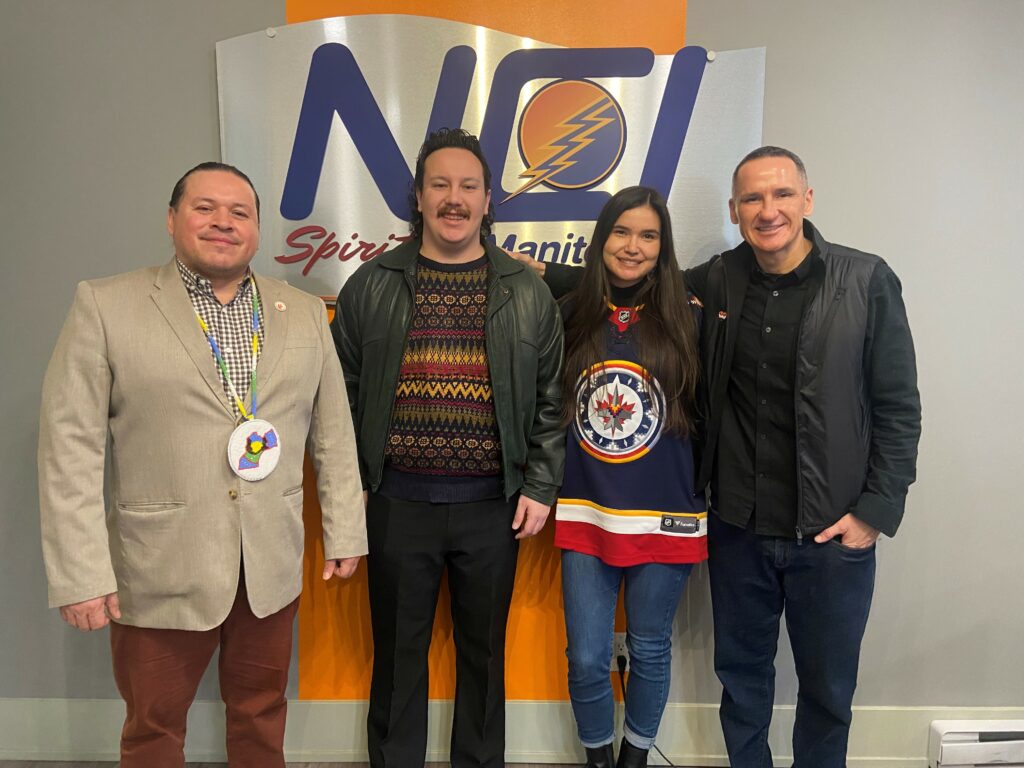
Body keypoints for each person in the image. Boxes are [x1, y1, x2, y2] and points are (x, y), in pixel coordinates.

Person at [540, 147, 922, 767]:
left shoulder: (866, 280)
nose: (767, 210)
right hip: (738, 528)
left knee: (827, 693)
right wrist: (512, 268)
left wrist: (875, 510)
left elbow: (898, 406)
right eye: (752, 199)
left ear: (807, 199)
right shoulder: (713, 281)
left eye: (781, 195)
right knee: (742, 688)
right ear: (734, 210)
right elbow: (622, 278)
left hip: (829, 532)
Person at [38, 162, 367, 768]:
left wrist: (346, 529)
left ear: (258, 230)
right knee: (153, 730)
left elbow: (334, 434)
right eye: (205, 208)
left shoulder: (301, 312)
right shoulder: (105, 305)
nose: (223, 223)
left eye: (240, 213)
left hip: (267, 563)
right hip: (159, 564)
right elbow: (70, 448)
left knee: (262, 717)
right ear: (171, 220)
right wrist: (81, 572)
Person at [330, 128, 565, 768]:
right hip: (396, 503)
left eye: (468, 186)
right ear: (418, 196)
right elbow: (338, 398)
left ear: (489, 199)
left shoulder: (527, 290)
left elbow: (552, 398)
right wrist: (350, 492)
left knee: (485, 661)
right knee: (398, 659)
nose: (453, 199)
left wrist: (541, 486)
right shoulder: (369, 286)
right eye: (440, 185)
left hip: (495, 507)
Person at [555, 187, 706, 768]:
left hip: (666, 513)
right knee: (588, 656)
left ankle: (634, 757)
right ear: (602, 239)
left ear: (663, 246)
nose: (633, 246)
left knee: (649, 648)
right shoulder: (572, 310)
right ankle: (597, 757)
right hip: (586, 509)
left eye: (648, 235)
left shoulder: (690, 314)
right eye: (621, 232)